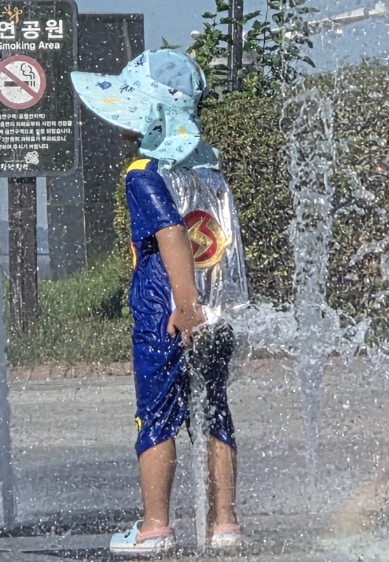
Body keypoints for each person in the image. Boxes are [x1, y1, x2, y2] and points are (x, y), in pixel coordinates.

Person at [71, 50, 249, 557]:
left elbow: (171, 233)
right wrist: (210, 306)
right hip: (216, 308)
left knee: (157, 416)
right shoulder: (209, 169)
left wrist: (185, 304)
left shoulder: (143, 173)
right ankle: (225, 523)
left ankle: (155, 526)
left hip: (164, 310)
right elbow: (223, 243)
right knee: (215, 411)